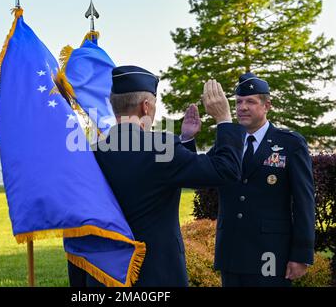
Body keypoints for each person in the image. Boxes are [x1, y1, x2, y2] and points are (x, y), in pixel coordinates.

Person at [68, 65, 246, 287]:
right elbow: (226, 170)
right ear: (146, 106)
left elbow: (77, 228)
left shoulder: (89, 155)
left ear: (114, 106)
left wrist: (186, 140)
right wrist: (224, 119)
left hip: (104, 277)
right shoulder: (163, 148)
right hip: (157, 275)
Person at [208, 72, 316, 287]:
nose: (242, 107)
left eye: (250, 101)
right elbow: (199, 176)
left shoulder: (290, 143)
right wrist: (187, 139)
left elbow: (304, 201)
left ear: (267, 105)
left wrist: (301, 254)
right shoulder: (227, 145)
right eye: (238, 102)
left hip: (271, 253)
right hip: (231, 252)